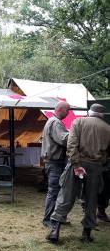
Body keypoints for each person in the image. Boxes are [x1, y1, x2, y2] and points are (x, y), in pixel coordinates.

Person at [47, 103, 110, 243]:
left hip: (77, 164)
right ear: (102, 115)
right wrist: (101, 162)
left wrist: (76, 164)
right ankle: (86, 234)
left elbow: (71, 144)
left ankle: (55, 231)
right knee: (91, 200)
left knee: (66, 196)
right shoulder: (108, 129)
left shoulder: (78, 121)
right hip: (95, 167)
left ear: (90, 112)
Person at [41, 101, 70, 227]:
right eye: (67, 110)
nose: (68, 113)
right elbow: (64, 139)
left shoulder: (52, 121)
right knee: (54, 192)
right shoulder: (56, 122)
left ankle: (56, 218)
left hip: (54, 161)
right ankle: (48, 219)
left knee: (57, 191)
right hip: (55, 162)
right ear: (60, 109)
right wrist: (75, 134)